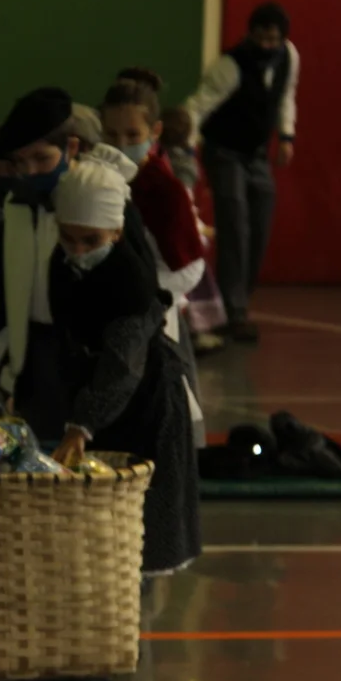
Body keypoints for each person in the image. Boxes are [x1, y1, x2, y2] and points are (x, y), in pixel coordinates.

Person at [0, 87, 153, 441]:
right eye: (20, 162)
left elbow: (139, 296)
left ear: (71, 148)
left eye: (41, 158)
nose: (30, 172)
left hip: (89, 354)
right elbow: (7, 285)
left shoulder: (104, 204)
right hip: (33, 353)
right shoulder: (16, 206)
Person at [48, 157, 201, 577]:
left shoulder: (130, 282)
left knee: (140, 532)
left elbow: (122, 367)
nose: (78, 250)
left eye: (90, 240)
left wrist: (83, 424)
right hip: (101, 401)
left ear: (116, 232)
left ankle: (136, 613)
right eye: (68, 238)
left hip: (147, 403)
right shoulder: (63, 264)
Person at [100, 68, 207, 450]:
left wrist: (144, 291)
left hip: (157, 324)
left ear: (154, 132)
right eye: (111, 135)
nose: (121, 144)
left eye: (133, 136)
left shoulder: (165, 190)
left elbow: (191, 267)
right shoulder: (98, 181)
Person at [185, 1, 299, 342]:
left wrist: (286, 135)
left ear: (282, 39)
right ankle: (233, 312)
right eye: (260, 38)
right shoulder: (230, 65)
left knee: (260, 225)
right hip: (224, 152)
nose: (266, 45)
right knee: (234, 226)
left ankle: (239, 301)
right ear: (249, 34)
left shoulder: (289, 57)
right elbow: (198, 106)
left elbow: (286, 96)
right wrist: (185, 146)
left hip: (257, 154)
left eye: (273, 39)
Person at [159, 106, 228, 355]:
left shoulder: (160, 161)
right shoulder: (182, 166)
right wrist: (199, 230)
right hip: (183, 244)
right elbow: (184, 205)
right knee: (190, 290)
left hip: (173, 241)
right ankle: (193, 334)